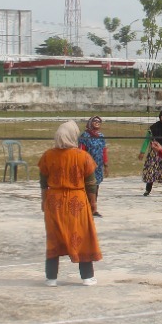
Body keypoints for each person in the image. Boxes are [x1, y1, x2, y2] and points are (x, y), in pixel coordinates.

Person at [38, 121, 100, 285]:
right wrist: (93, 203)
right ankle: (87, 276)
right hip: (77, 201)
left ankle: (51, 277)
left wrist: (44, 201)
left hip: (54, 201)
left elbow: (43, 182)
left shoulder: (47, 156)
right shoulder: (83, 156)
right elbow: (91, 183)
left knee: (54, 238)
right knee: (82, 237)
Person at [137, 109, 162, 196]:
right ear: (160, 117)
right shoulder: (153, 128)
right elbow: (147, 141)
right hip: (154, 154)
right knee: (151, 171)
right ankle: (148, 190)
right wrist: (142, 152)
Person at [78, 116, 109, 215]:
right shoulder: (85, 136)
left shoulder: (101, 136)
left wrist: (106, 165)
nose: (97, 123)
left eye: (99, 121)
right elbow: (81, 151)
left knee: (96, 186)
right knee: (88, 187)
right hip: (87, 165)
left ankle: (94, 208)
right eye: (95, 121)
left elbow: (104, 151)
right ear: (90, 123)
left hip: (98, 166)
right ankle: (87, 208)